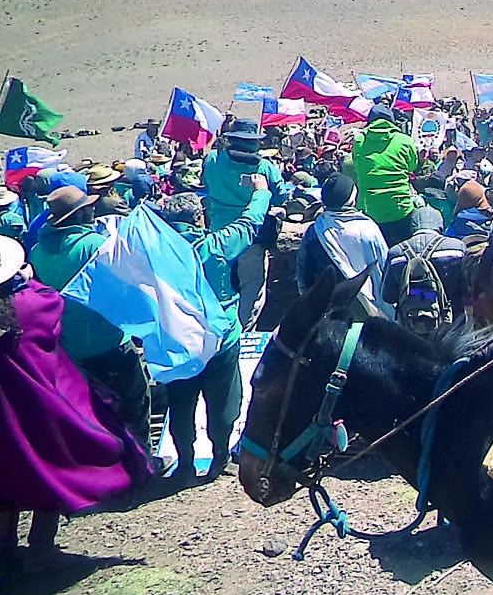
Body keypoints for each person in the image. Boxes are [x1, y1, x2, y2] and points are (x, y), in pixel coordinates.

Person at [0, 237, 151, 578]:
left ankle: (4, 551)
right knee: (51, 468)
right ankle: (40, 548)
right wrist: (29, 278)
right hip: (38, 408)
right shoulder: (33, 305)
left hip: (2, 415)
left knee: (4, 479)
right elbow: (50, 300)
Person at [158, 176, 268, 482]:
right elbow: (250, 223)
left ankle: (185, 464)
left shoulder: (155, 255)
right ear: (198, 218)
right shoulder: (215, 245)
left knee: (180, 403)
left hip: (176, 339)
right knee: (224, 401)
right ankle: (221, 457)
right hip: (220, 338)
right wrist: (261, 192)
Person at [29, 186, 154, 453]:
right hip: (110, 340)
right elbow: (127, 286)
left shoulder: (38, 251)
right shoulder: (96, 245)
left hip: (71, 346)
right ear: (79, 214)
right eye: (88, 207)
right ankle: (144, 462)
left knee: (97, 410)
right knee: (135, 403)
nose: (93, 209)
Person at [201, 119, 287, 328]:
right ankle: (243, 330)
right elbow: (279, 196)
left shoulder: (212, 159)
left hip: (218, 233)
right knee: (251, 286)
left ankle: (218, 325)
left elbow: (205, 183)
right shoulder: (264, 167)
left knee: (219, 284)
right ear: (255, 142)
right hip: (251, 235)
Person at [295, 173, 389, 314]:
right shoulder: (368, 228)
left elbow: (303, 273)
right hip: (369, 309)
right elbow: (385, 268)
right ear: (352, 200)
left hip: (325, 307)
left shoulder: (315, 230)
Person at [348, 104, 420, 245]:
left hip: (370, 210)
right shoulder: (405, 140)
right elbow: (412, 166)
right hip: (401, 209)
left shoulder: (359, 140)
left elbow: (357, 166)